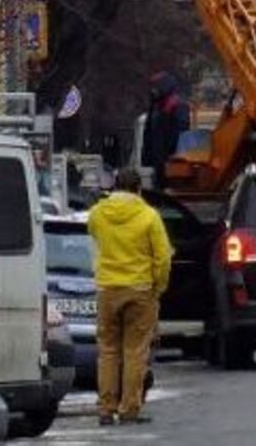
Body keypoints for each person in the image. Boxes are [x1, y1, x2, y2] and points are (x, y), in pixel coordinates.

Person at [87, 169, 172, 426]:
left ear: (114, 187)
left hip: (107, 289)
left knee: (108, 351)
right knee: (135, 351)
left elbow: (94, 236)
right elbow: (163, 258)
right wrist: (159, 287)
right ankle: (129, 409)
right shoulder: (149, 216)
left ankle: (105, 407)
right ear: (138, 189)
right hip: (140, 289)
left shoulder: (98, 214)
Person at [141, 71, 189, 189]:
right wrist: (147, 157)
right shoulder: (157, 107)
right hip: (158, 161)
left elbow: (180, 134)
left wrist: (170, 155)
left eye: (155, 87)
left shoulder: (177, 106)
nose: (153, 91)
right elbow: (148, 133)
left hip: (170, 161)